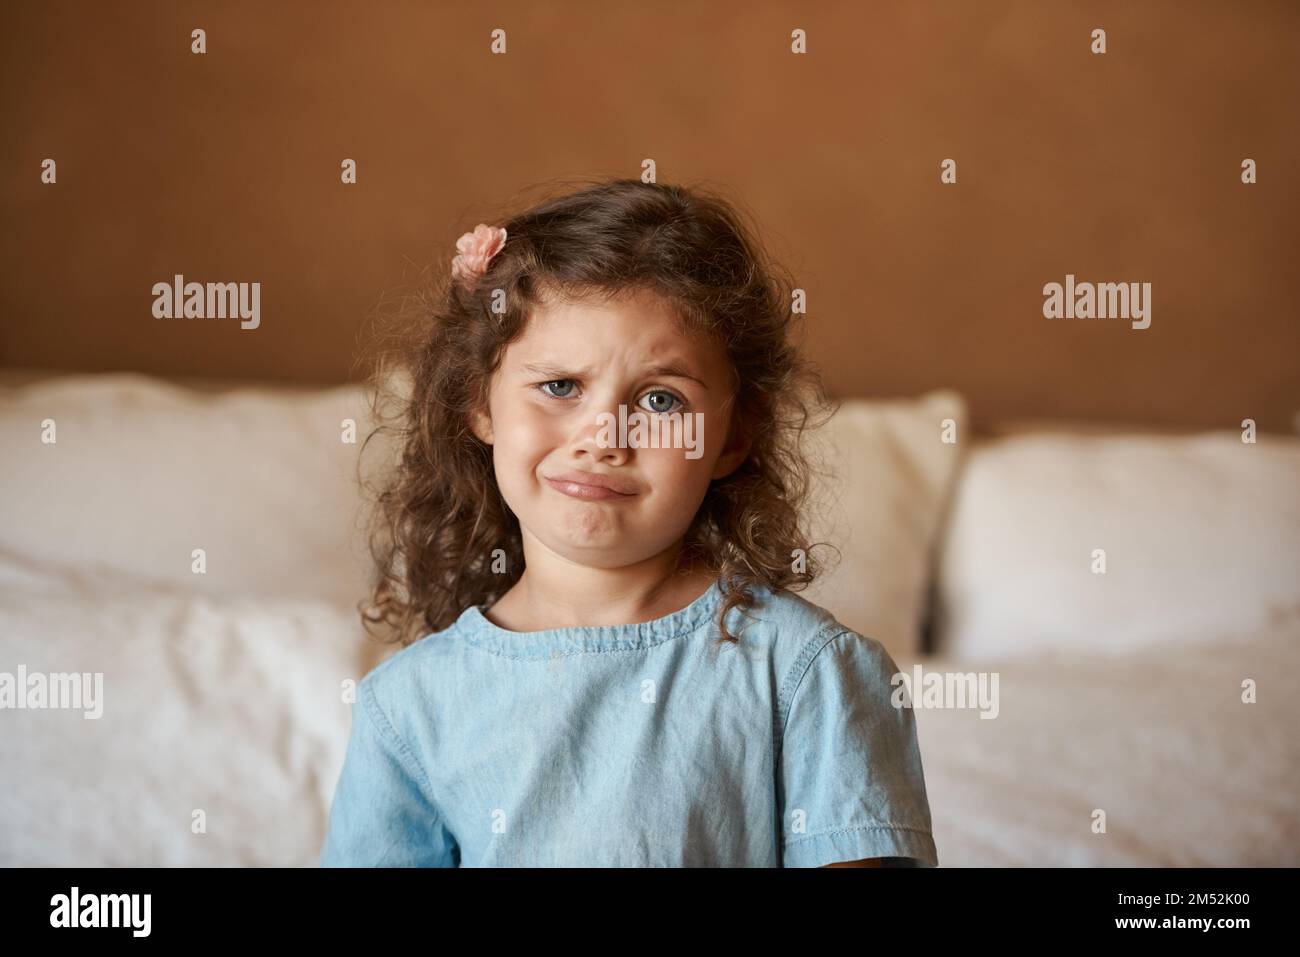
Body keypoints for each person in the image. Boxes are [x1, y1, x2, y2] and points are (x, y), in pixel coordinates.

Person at [320, 178, 938, 867]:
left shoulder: (806, 673)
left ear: (733, 438)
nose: (603, 435)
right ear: (480, 403)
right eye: (560, 386)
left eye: (660, 399)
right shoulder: (407, 707)